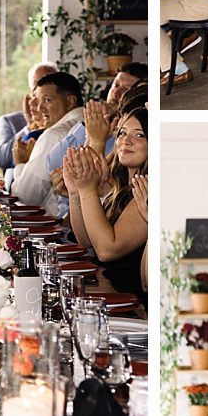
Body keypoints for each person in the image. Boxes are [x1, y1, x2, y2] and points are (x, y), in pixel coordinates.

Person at [59, 104, 147, 307]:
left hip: (128, 303)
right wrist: (76, 191)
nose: (126, 140)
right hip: (105, 292)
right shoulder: (122, 184)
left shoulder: (148, 189)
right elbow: (87, 241)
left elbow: (106, 250)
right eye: (122, 133)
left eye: (139, 135)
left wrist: (88, 189)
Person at [8, 72, 85, 209]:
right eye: (38, 101)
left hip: (57, 225)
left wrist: (21, 164)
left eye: (47, 100)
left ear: (70, 101)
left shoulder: (53, 136)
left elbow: (26, 197)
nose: (39, 108)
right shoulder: (93, 124)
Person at [0, 61, 57, 170]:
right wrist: (29, 126)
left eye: (48, 82)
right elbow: (1, 160)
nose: (43, 87)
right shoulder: (10, 121)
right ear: (30, 86)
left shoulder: (61, 119)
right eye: (38, 82)